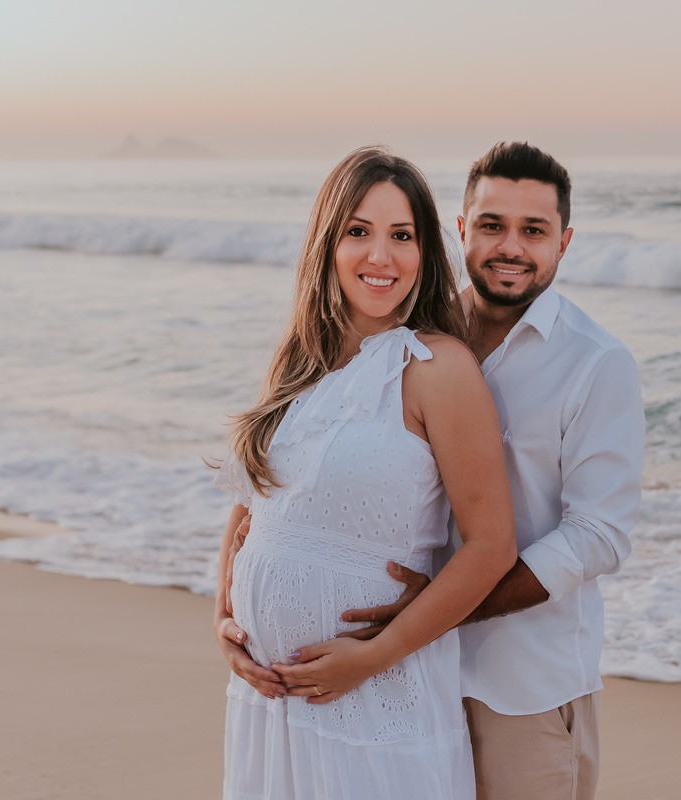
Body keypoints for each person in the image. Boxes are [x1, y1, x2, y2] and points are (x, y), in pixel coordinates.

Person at [224, 142, 645, 800]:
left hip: (516, 681)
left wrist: (419, 621)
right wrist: (228, 614)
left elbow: (598, 534)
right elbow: (268, 492)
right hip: (369, 678)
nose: (511, 247)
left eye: (534, 230)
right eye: (492, 225)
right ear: (460, 230)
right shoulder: (399, 329)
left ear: (563, 242)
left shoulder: (593, 362)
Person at [211, 146, 518, 800]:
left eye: (402, 235)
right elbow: (251, 504)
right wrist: (223, 619)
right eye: (359, 231)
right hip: (270, 702)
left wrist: (373, 656)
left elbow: (492, 546)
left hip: (378, 699)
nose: (381, 256)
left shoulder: (437, 368)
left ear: (424, 252)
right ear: (327, 243)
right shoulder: (299, 364)